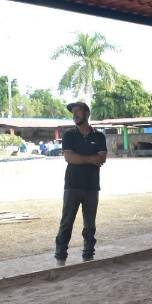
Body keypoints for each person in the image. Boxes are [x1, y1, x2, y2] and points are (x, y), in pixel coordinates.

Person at [54, 102, 107, 264]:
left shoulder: (99, 136)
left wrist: (81, 158)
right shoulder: (69, 135)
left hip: (92, 186)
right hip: (72, 185)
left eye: (78, 111)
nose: (75, 114)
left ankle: (89, 254)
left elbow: (102, 158)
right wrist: (91, 159)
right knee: (66, 222)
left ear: (87, 113)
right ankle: (60, 255)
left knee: (90, 224)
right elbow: (69, 158)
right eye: (73, 112)